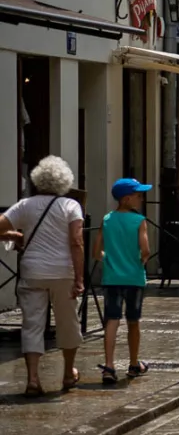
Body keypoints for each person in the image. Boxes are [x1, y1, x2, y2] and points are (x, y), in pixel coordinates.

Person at [0, 155, 85, 397]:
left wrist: (15, 237)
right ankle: (68, 373)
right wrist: (79, 278)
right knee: (68, 323)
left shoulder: (25, 205)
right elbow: (76, 242)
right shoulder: (71, 206)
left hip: (33, 271)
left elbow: (0, 227)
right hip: (63, 272)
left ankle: (33, 379)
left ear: (37, 179)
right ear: (64, 181)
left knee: (32, 325)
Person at [95, 178, 153, 384]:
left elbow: (96, 252)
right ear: (126, 199)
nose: (141, 198)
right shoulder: (139, 221)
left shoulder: (107, 219)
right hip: (134, 278)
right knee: (133, 321)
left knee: (111, 321)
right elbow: (145, 250)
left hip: (111, 278)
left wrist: (109, 259)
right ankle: (134, 363)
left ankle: (109, 365)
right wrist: (139, 260)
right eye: (138, 195)